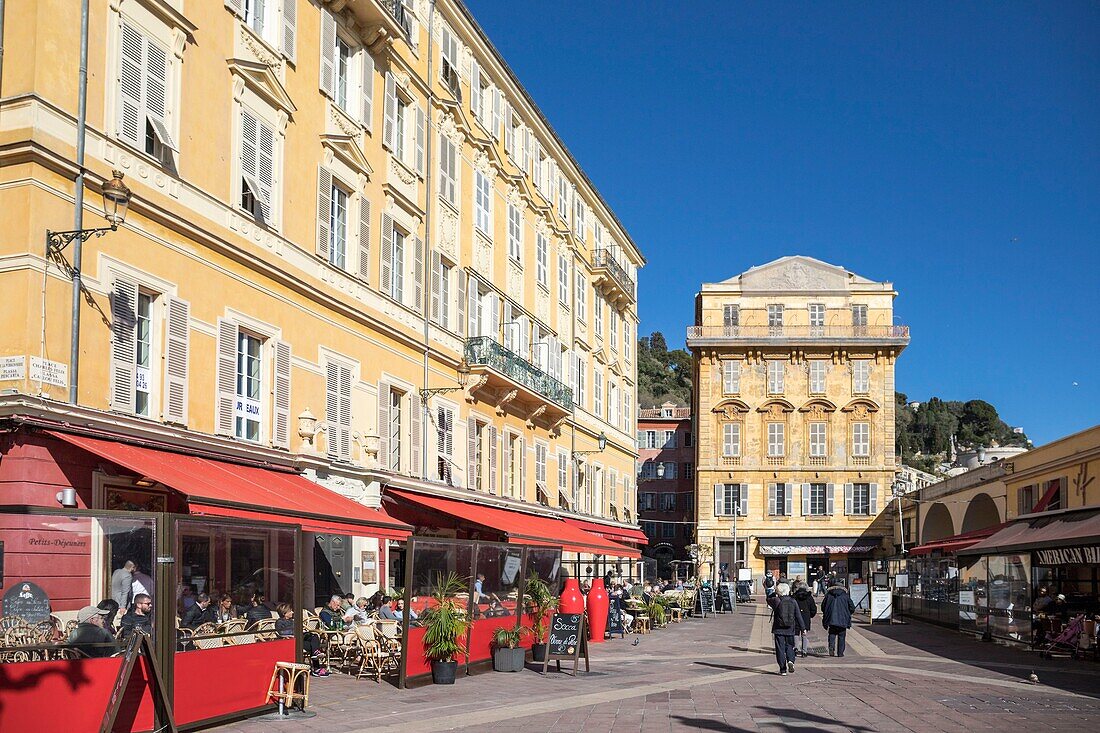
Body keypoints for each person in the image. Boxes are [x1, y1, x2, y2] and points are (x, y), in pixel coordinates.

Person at [767, 582, 806, 676]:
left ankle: (782, 669)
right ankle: (791, 660)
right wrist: (803, 628)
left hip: (778, 628)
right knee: (790, 646)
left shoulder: (776, 600)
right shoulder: (793, 601)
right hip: (790, 628)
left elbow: (768, 599)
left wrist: (775, 593)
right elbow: (798, 615)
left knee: (780, 648)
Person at [821, 581, 856, 657]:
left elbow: (823, 607)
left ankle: (831, 646)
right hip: (843, 619)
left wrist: (827, 614)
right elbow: (852, 607)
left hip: (831, 619)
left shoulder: (828, 595)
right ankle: (840, 653)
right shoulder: (845, 596)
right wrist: (847, 613)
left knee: (832, 634)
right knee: (841, 636)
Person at [792, 581, 818, 657]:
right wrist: (810, 615)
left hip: (796, 617)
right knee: (804, 634)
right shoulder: (809, 597)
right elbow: (813, 609)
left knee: (796, 633)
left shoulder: (794, 596)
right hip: (806, 617)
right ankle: (804, 651)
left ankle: (795, 648)